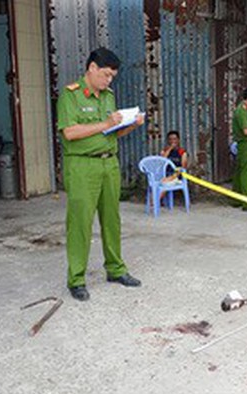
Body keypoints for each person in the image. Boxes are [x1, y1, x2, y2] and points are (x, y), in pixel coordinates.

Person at [57, 47, 144, 301]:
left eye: (112, 77)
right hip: (82, 166)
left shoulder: (108, 96)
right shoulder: (70, 95)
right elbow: (70, 133)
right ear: (92, 68)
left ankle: (115, 269)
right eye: (105, 75)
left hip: (109, 164)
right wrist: (106, 124)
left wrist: (130, 125)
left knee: (111, 220)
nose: (108, 80)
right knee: (80, 223)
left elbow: (111, 132)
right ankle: (76, 279)